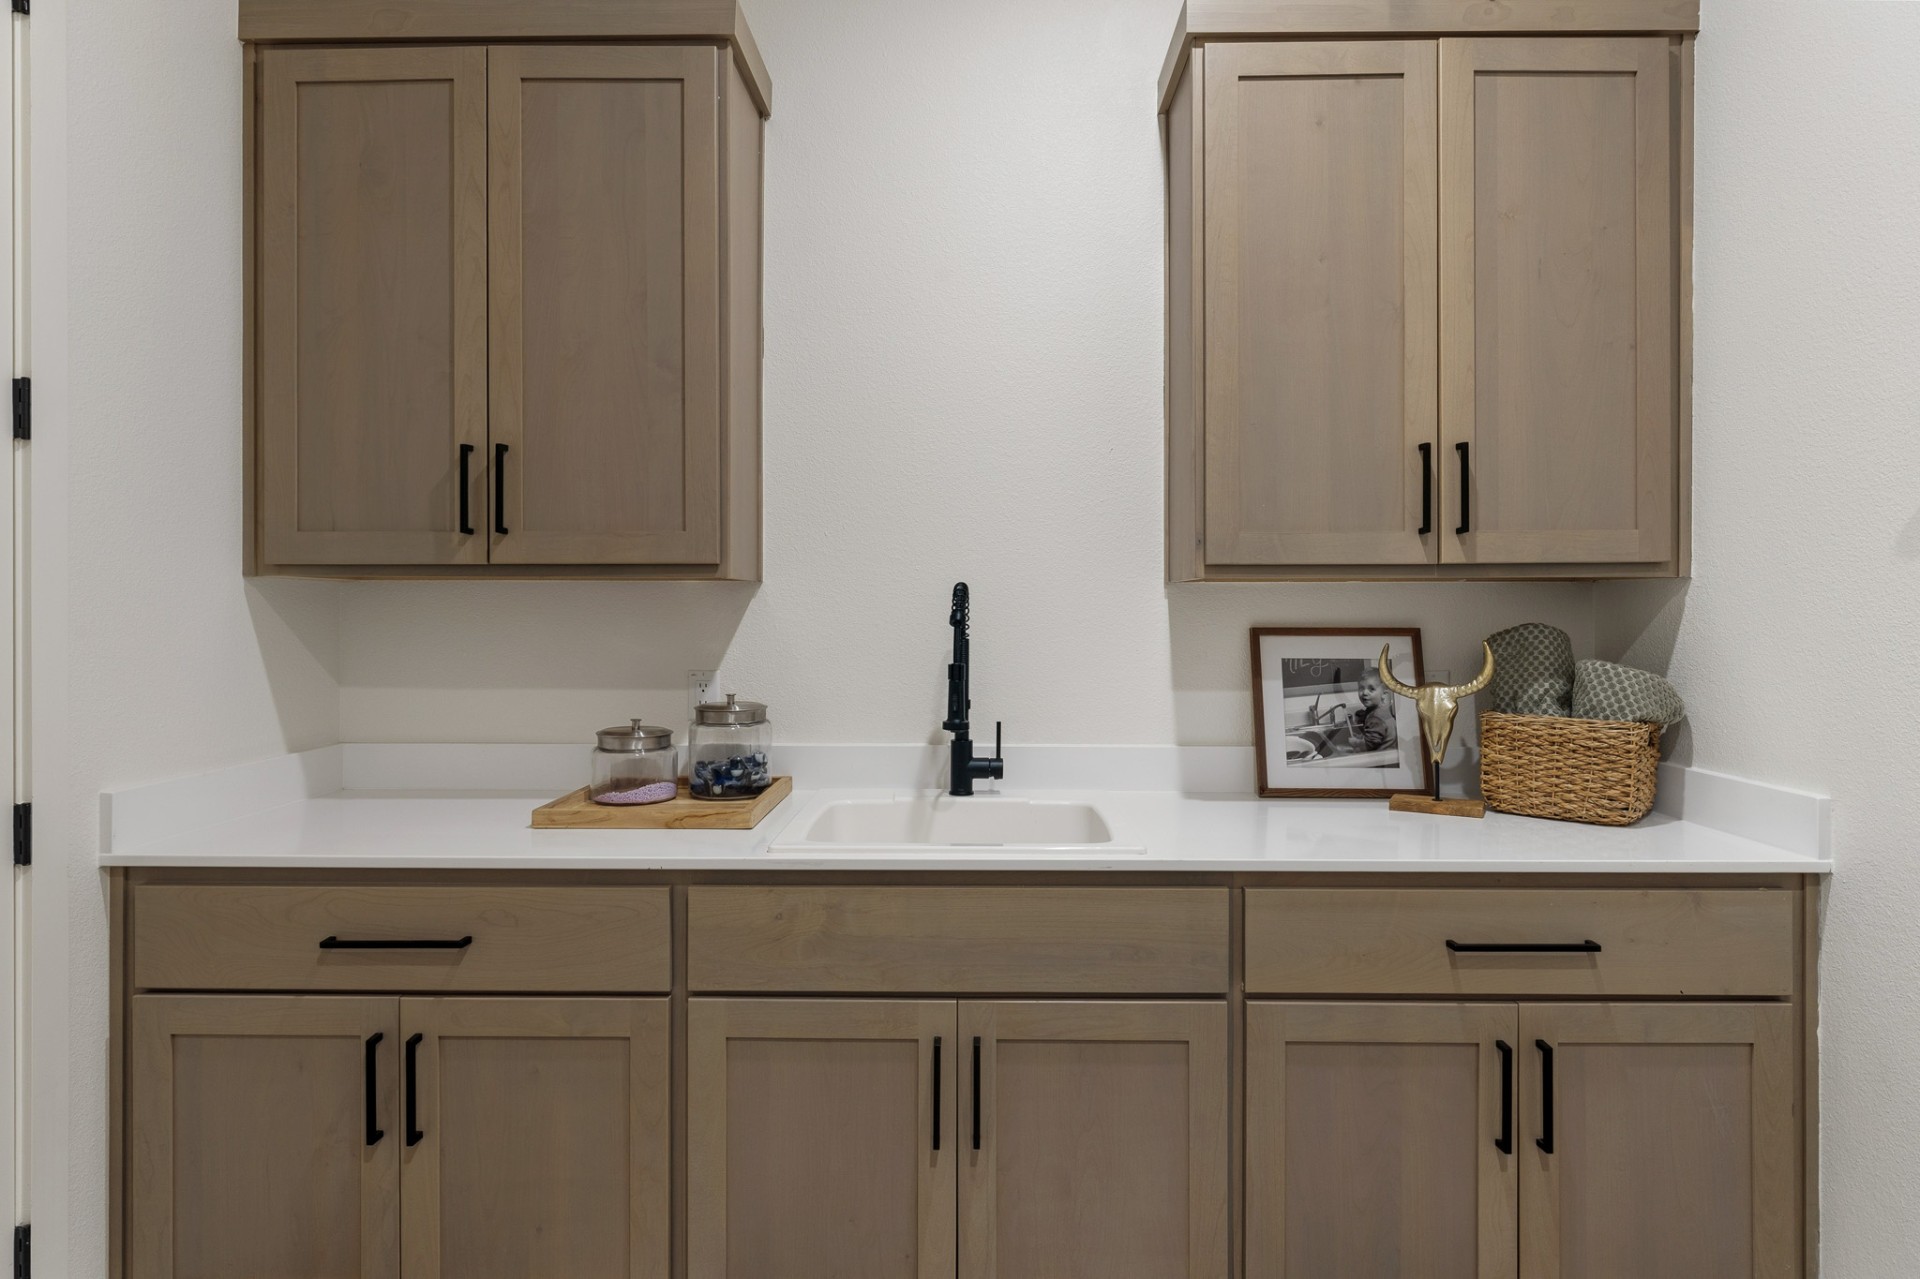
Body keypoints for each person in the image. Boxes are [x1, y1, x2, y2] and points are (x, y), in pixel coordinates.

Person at [1348, 666, 1398, 753]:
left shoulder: (1376, 718)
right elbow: (1376, 736)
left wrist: (1356, 742)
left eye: (1371, 689)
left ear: (1384, 694)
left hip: (1382, 761)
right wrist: (1361, 737)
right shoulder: (1381, 711)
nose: (1364, 693)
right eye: (1361, 688)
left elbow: (1369, 746)